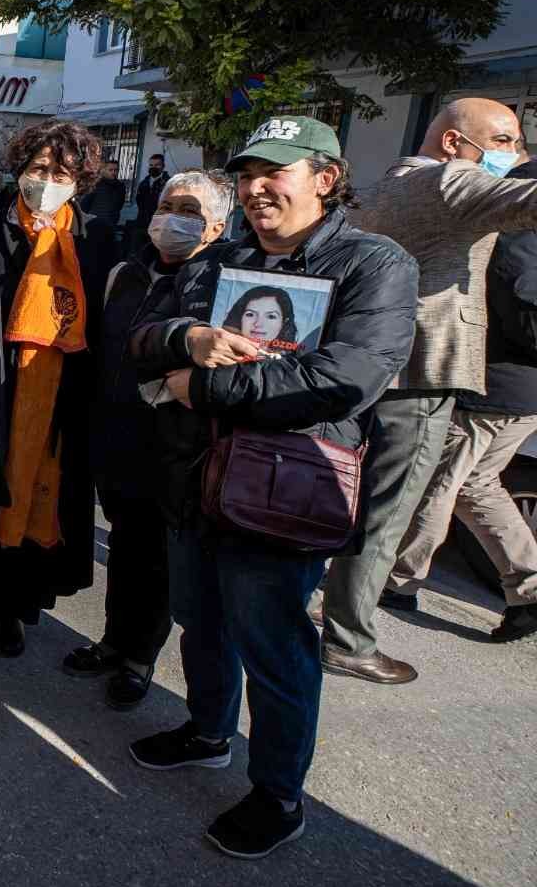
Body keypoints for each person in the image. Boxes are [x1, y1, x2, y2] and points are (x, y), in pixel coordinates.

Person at [126, 115, 418, 859]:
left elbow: (347, 377)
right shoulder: (216, 258)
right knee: (201, 620)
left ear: (325, 178)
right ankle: (208, 730)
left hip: (286, 490)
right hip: (194, 480)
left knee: (276, 648)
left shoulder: (373, 264)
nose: (258, 188)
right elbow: (139, 337)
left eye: (276, 172)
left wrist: (208, 387)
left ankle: (278, 792)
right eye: (248, 173)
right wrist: (186, 340)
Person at [319, 98, 537, 684]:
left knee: (351, 500)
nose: (515, 154)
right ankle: (348, 638)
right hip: (420, 375)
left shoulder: (389, 182)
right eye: (504, 139)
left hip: (370, 366)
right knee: (385, 516)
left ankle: (331, 615)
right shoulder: (451, 181)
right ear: (451, 142)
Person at [0, 119, 117, 658]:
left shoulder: (95, 239)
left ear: (79, 179)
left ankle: (14, 608)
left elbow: (105, 325)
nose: (46, 180)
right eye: (38, 169)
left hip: (59, 394)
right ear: (19, 171)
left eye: (60, 171)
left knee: (40, 489)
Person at [61, 170, 233, 710]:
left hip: (177, 450)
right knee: (126, 548)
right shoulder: (125, 273)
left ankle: (139, 659)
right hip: (116, 439)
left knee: (158, 561)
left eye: (189, 209)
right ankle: (114, 641)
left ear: (217, 225)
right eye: (166, 205)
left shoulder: (221, 282)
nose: (172, 217)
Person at [384, 209, 537, 643]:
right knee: (476, 485)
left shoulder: (516, 232)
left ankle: (396, 582)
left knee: (436, 483)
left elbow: (521, 298)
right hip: (520, 393)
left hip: (495, 390)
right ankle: (528, 589)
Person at [224, 285, 299, 351]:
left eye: (271, 316)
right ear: (240, 318)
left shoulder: (291, 364)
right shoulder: (217, 352)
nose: (258, 324)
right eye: (250, 314)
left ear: (284, 322)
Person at [130, 153, 171, 252]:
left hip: (159, 225)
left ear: (163, 166)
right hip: (142, 223)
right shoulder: (144, 183)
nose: (153, 167)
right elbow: (139, 201)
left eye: (157, 165)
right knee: (137, 252)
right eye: (151, 165)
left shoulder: (168, 183)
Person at [84, 159, 127, 224]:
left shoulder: (120, 186)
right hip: (94, 221)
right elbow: (86, 203)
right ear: (104, 170)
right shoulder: (96, 184)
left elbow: (119, 204)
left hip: (111, 223)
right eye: (110, 170)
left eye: (116, 170)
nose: (113, 172)